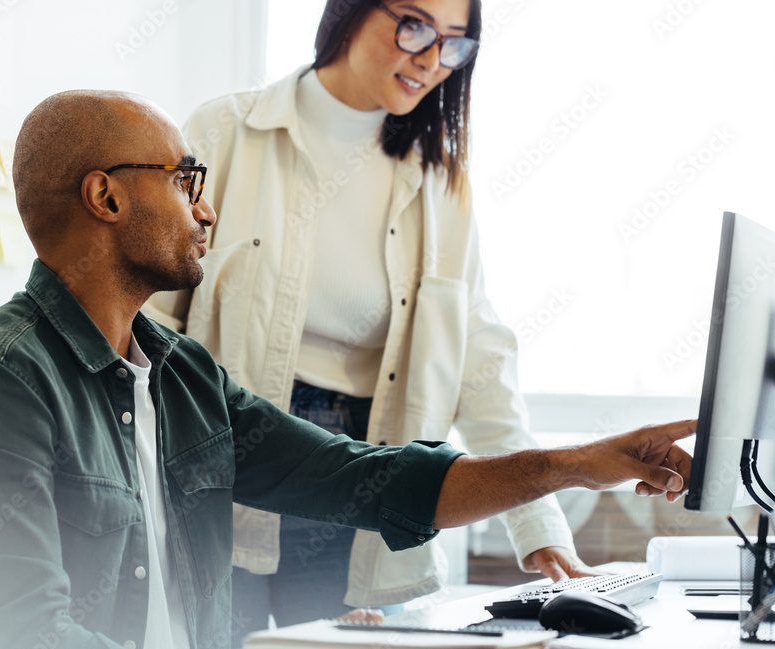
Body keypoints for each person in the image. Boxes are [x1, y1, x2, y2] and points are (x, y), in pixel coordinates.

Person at [0, 88, 694, 649]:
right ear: (105, 197)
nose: (206, 209)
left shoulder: (182, 381)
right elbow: (24, 634)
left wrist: (581, 464)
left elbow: (370, 479)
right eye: (185, 181)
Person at [142, 0, 592, 641]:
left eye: (455, 44)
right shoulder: (224, 131)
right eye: (414, 25)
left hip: (358, 473)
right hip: (226, 450)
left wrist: (538, 526)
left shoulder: (439, 181)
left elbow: (481, 362)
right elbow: (149, 319)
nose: (432, 59)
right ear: (350, 12)